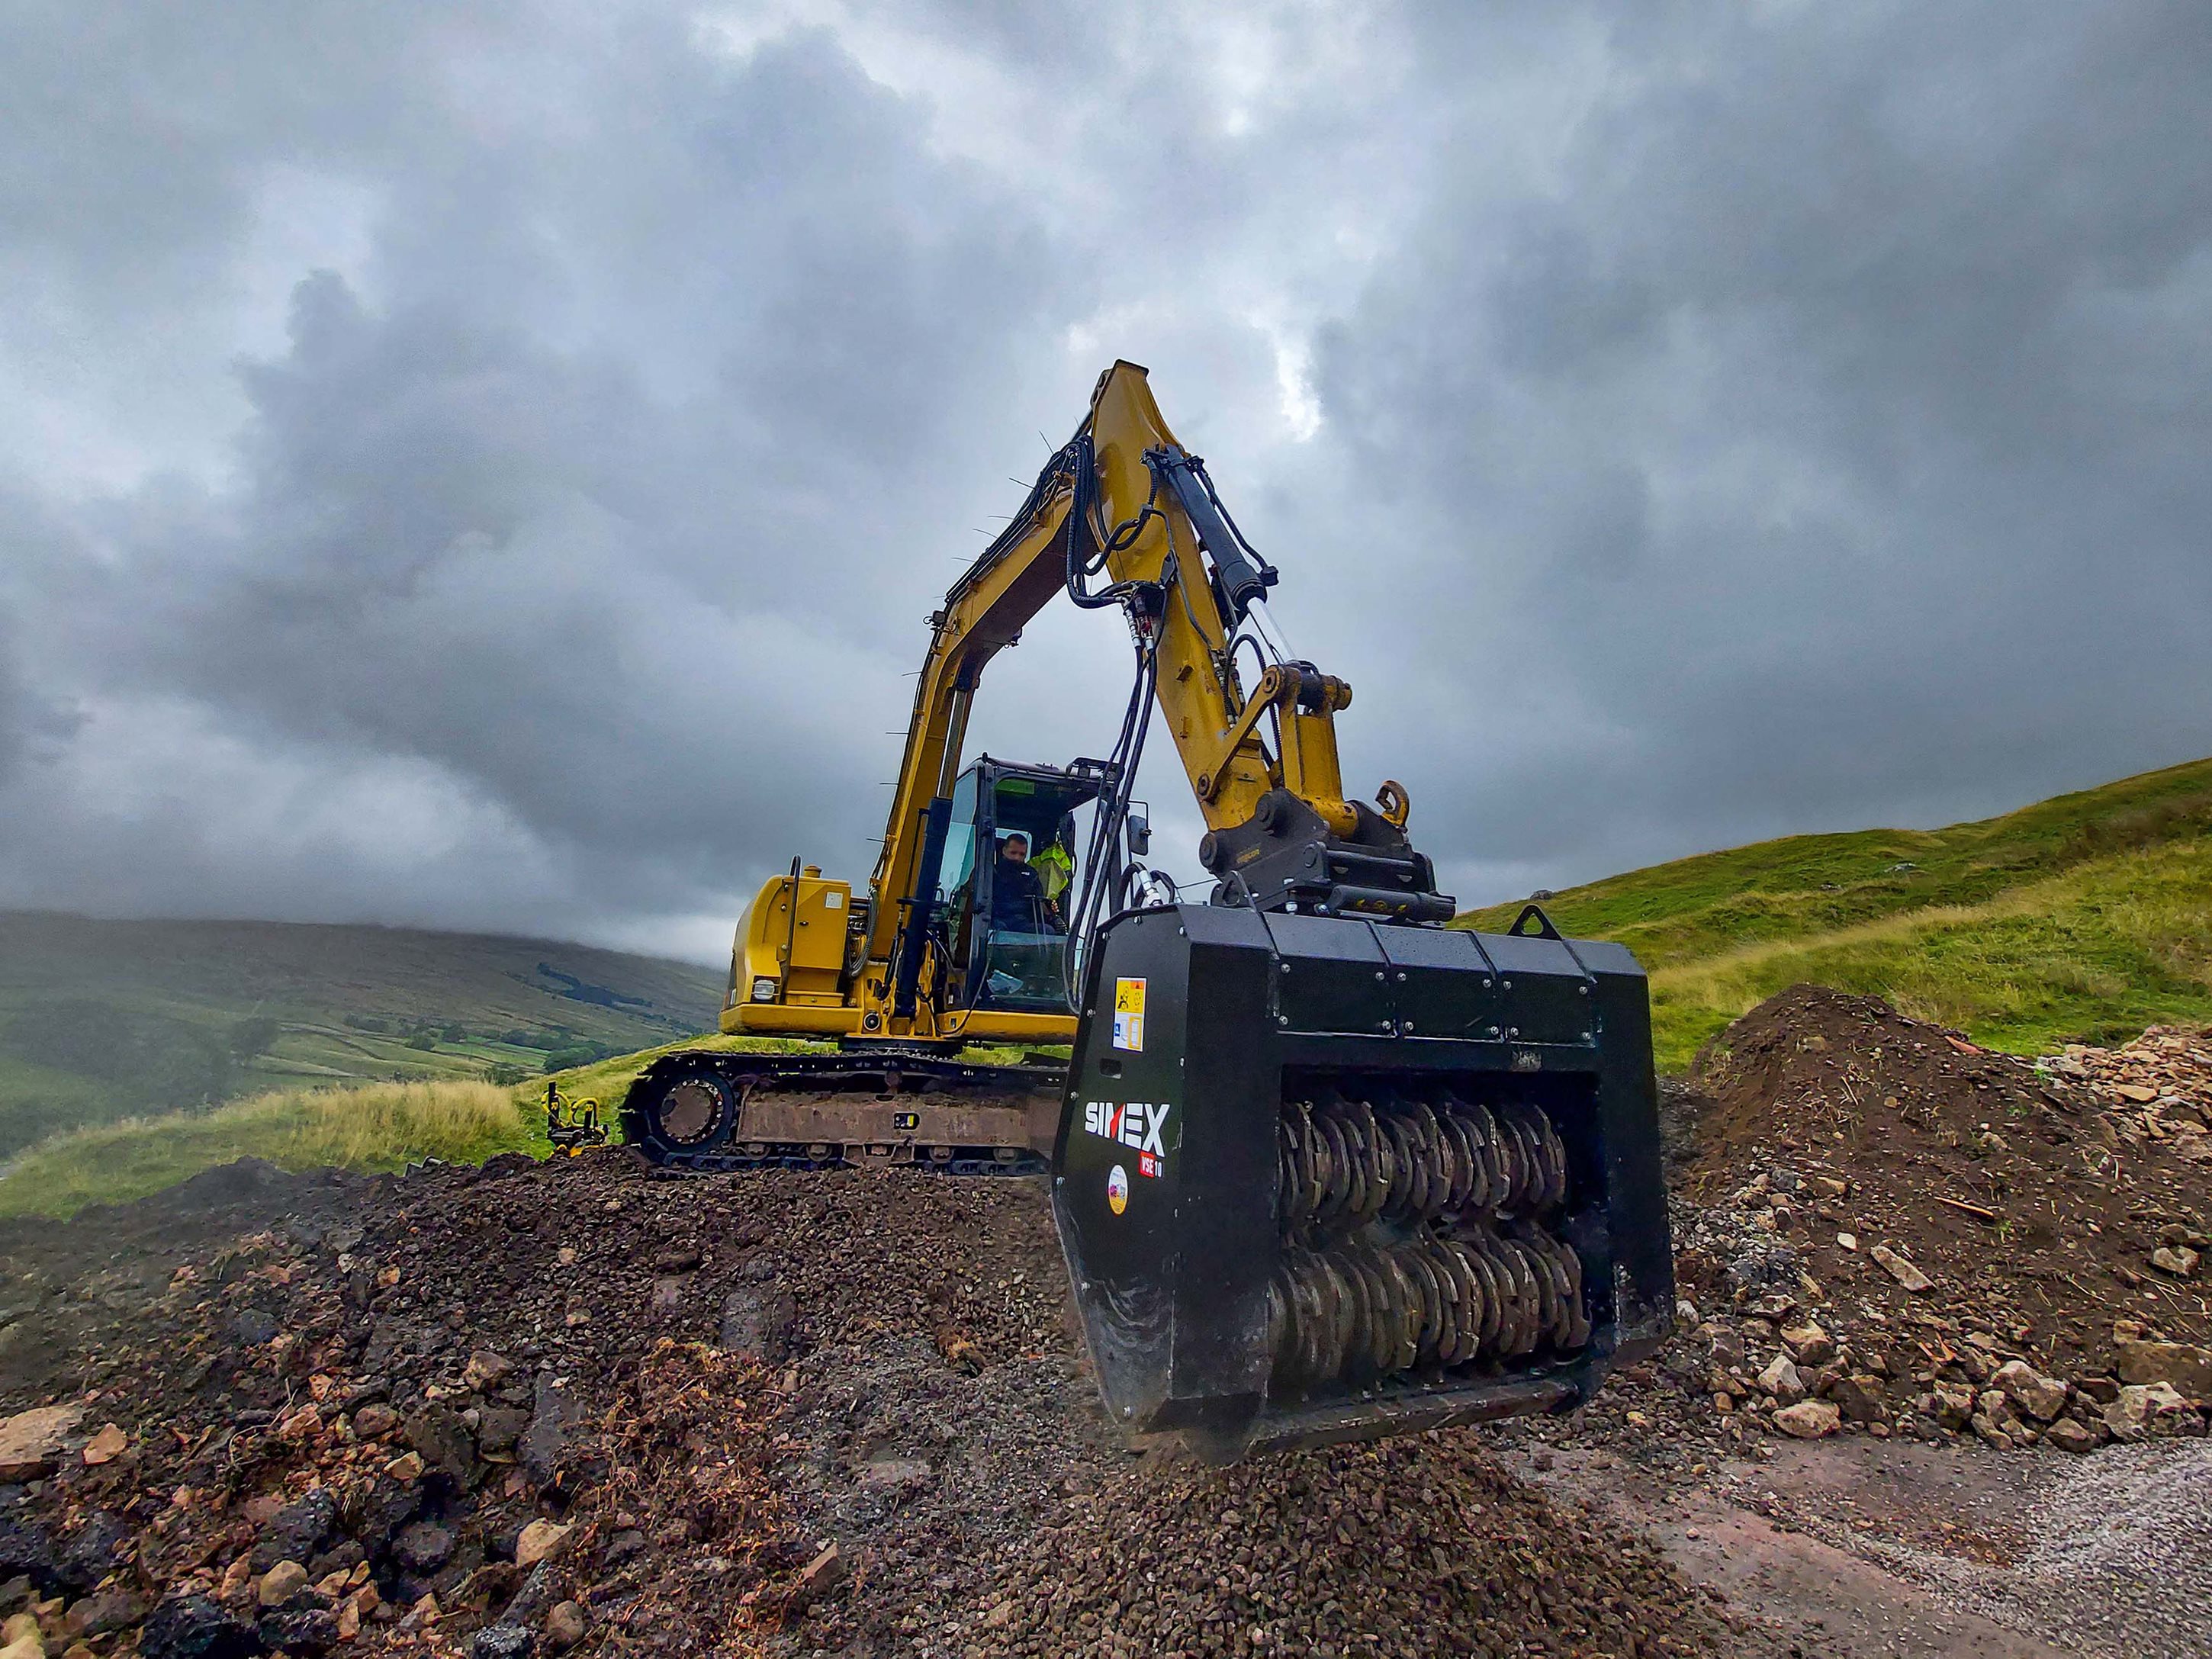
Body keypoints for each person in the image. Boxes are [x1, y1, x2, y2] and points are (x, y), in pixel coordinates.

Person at [989, 831, 1055, 933]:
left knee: (1048, 931)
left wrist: (1050, 908)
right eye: (1013, 853)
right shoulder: (990, 872)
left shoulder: (1032, 875)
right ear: (1004, 851)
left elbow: (1039, 903)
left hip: (1022, 923)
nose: (1017, 858)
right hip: (997, 920)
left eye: (1022, 854)